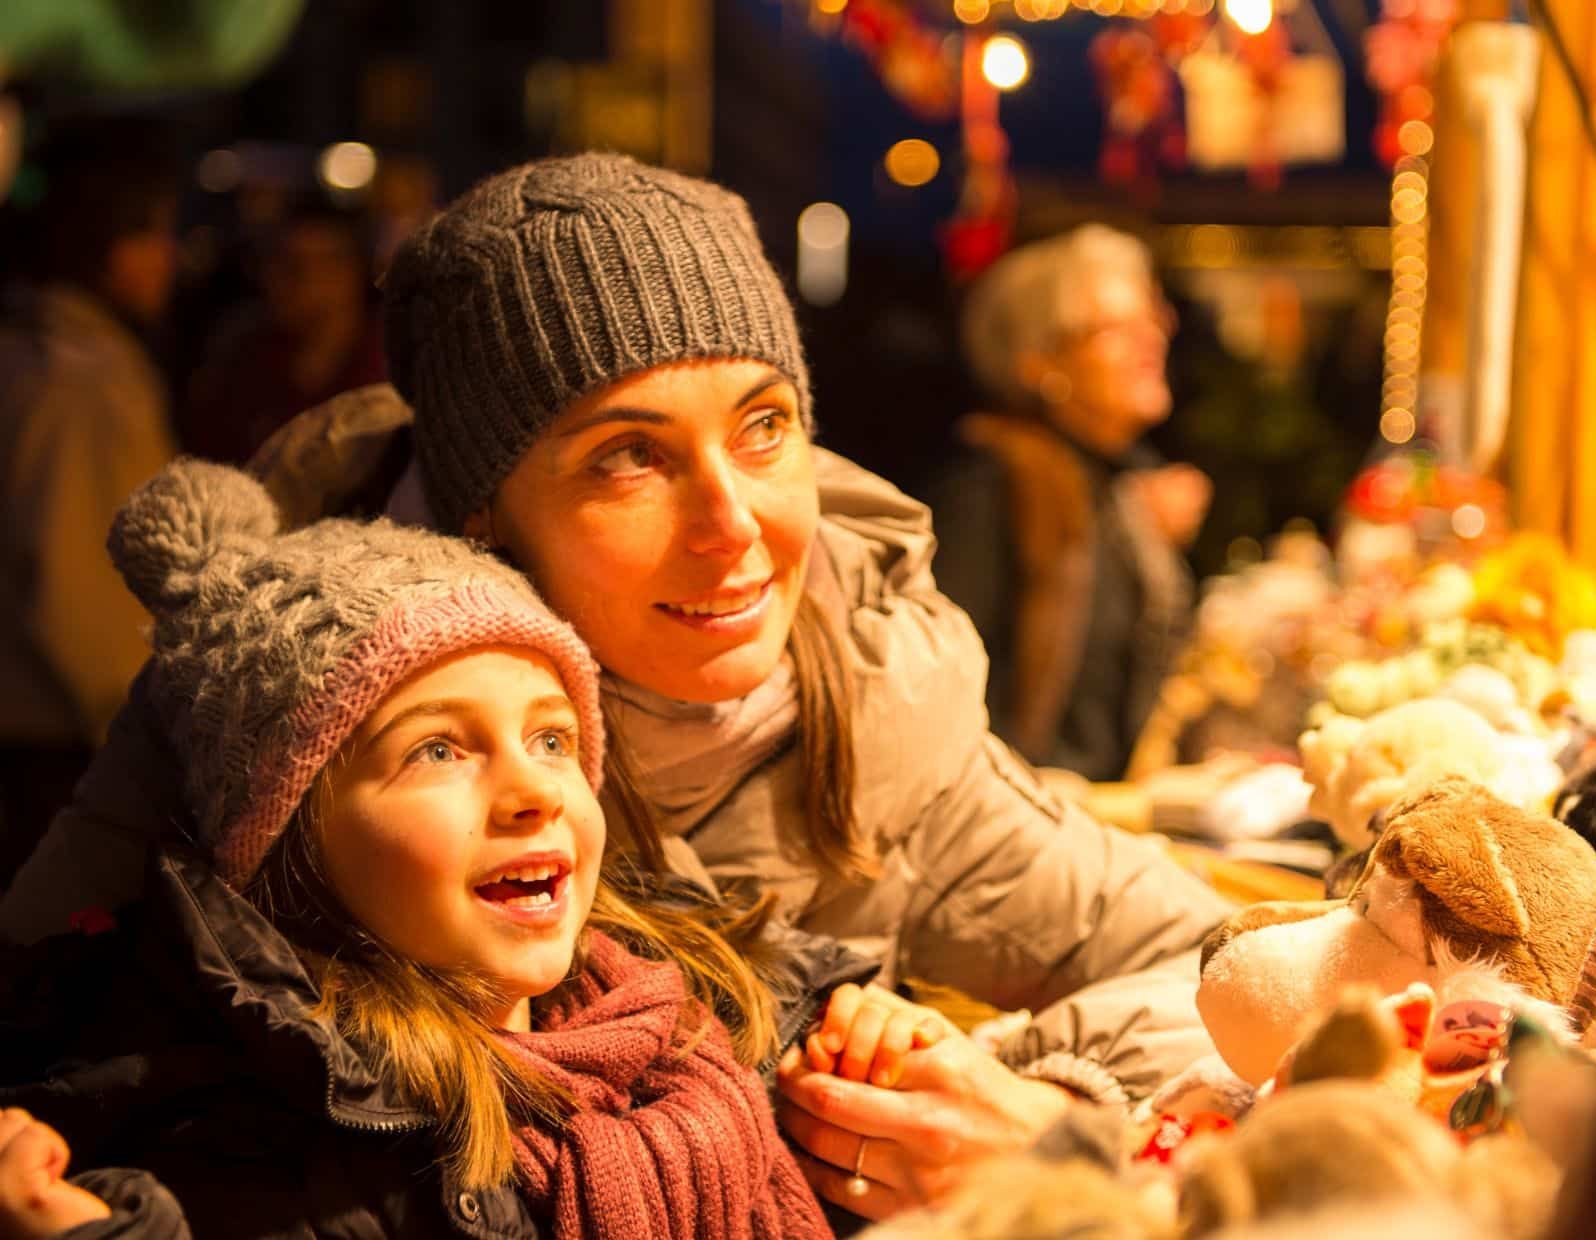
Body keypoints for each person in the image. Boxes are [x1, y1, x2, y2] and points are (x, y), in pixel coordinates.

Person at [2, 154, 1231, 1219]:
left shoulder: (870, 709)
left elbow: (1222, 968)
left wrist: (1043, 1112)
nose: (733, 526)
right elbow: (35, 1023)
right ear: (481, 517)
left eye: (762, 426)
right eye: (628, 457)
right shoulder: (270, 702)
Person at [0, 458, 940, 1238]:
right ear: (289, 838)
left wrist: (876, 1032)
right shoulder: (264, 1138)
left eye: (552, 739)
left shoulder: (700, 991)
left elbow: (819, 1005)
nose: (534, 791)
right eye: (438, 750)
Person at [920, 225, 1211, 782]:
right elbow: (946, 710)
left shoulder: (1113, 486)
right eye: (1112, 328)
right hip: (1022, 827)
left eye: (1150, 316)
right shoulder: (990, 486)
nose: (1150, 338)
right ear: (1040, 363)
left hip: (1104, 817)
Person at [0, 119, 179, 887]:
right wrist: (134, 733)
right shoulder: (80, 377)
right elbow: (75, 583)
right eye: (158, 236)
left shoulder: (37, 349)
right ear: (113, 247)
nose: (169, 259)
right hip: (56, 741)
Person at [179, 195, 387, 465]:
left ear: (357, 272)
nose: (306, 281)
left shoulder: (391, 369)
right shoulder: (239, 366)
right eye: (287, 263)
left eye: (326, 263)